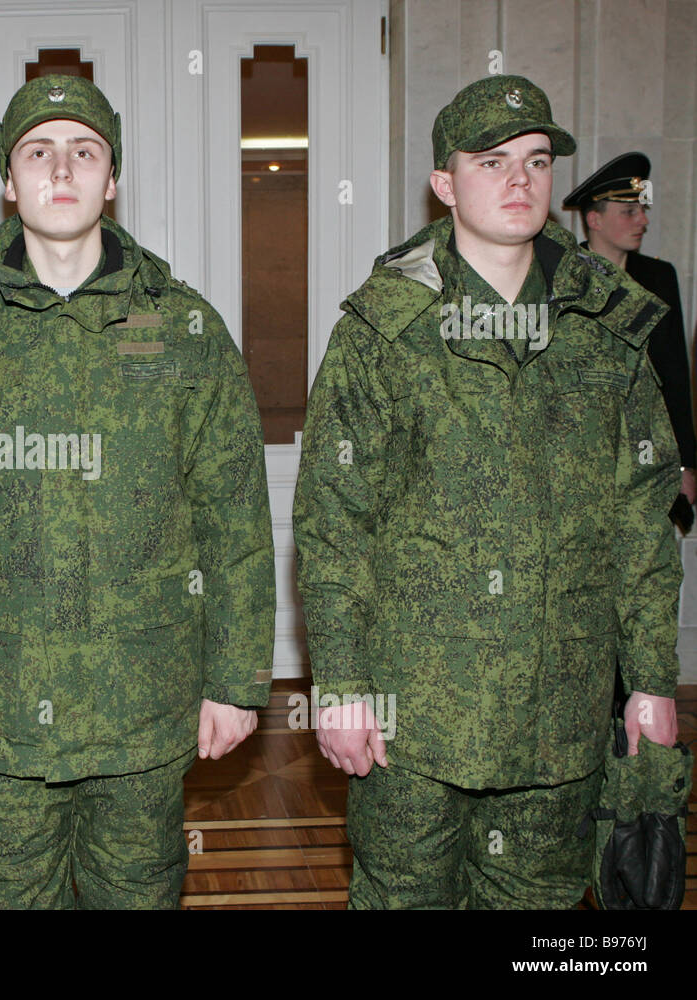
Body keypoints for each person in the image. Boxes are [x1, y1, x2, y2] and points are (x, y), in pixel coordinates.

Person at [0, 74, 274, 909]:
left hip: (144, 705)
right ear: (8, 181)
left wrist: (236, 678)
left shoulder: (183, 330)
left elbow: (233, 515)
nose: (62, 168)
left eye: (84, 151)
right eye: (38, 151)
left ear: (112, 179)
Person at [294, 75, 681, 909]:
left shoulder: (606, 329)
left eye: (537, 161)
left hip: (560, 715)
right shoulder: (384, 331)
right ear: (445, 184)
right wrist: (344, 687)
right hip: (415, 719)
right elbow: (334, 525)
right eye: (493, 161)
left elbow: (642, 521)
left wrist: (651, 677)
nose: (520, 181)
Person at [563, 153, 697, 508]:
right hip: (583, 453)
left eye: (642, 210)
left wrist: (686, 462)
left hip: (648, 451)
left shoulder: (659, 278)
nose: (643, 221)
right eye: (629, 212)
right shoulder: (565, 278)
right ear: (595, 219)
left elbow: (674, 373)